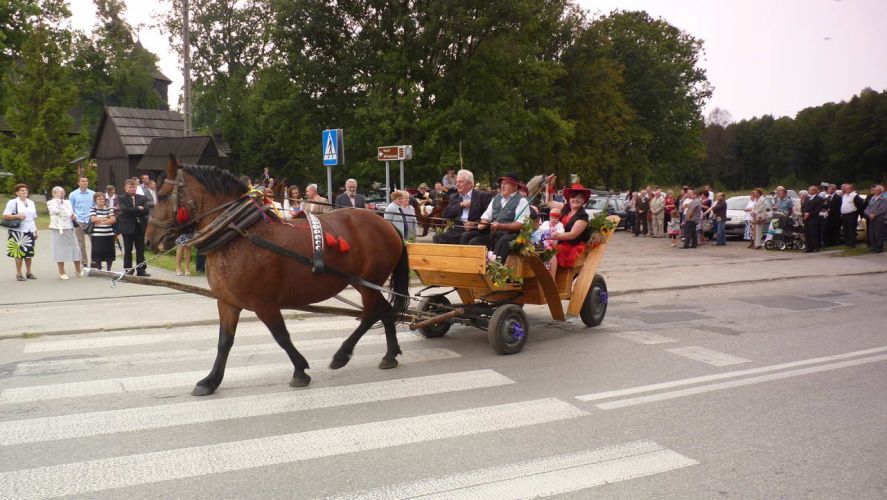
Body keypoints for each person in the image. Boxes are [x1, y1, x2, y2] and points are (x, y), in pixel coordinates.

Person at [468, 173, 529, 262]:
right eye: (502, 183)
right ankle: (475, 267)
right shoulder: (496, 198)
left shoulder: (522, 201)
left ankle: (496, 268)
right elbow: (486, 216)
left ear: (515, 187)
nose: (502, 186)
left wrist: (501, 226)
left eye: (506, 183)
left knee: (504, 240)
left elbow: (521, 224)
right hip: (495, 235)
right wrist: (481, 224)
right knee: (473, 242)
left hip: (511, 236)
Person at [434, 169, 493, 244]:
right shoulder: (454, 197)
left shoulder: (483, 196)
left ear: (470, 184)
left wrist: (474, 223)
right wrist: (460, 205)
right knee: (437, 237)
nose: (457, 184)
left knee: (465, 236)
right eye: (457, 181)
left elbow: (489, 216)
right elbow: (446, 214)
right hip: (457, 230)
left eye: (460, 182)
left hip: (475, 230)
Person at [549, 186, 592, 276]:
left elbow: (572, 235)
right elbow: (549, 202)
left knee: (549, 251)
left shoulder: (583, 216)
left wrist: (551, 235)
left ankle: (551, 281)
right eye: (573, 197)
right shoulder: (566, 209)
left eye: (579, 197)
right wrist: (549, 186)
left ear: (583, 200)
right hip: (559, 242)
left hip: (571, 246)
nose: (576, 199)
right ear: (569, 199)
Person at [3, 183, 38, 281]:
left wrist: (35, 231)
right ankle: (19, 273)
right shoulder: (12, 202)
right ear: (17, 192)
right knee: (19, 254)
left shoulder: (31, 202)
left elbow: (32, 218)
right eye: (22, 190)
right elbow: (5, 216)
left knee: (29, 253)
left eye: (26, 190)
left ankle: (29, 272)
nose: (24, 192)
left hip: (30, 229)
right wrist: (17, 216)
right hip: (18, 231)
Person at [47, 186, 82, 279]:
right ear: (53, 194)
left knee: (75, 247)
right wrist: (58, 201)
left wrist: (74, 216)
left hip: (69, 227)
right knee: (59, 249)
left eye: (62, 192)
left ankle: (78, 270)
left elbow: (70, 212)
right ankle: (62, 272)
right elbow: (56, 211)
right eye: (59, 192)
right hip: (58, 228)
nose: (61, 194)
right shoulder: (50, 203)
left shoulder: (67, 202)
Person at [118, 179, 151, 276]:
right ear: (126, 188)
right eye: (130, 187)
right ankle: (128, 270)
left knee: (140, 249)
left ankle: (141, 270)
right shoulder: (121, 197)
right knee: (128, 250)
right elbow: (124, 210)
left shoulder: (142, 198)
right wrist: (137, 208)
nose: (132, 189)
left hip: (139, 227)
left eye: (134, 187)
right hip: (127, 227)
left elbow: (146, 210)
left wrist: (134, 210)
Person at [69, 176, 94, 269]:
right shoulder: (73, 194)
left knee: (94, 242)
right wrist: (74, 219)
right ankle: (84, 262)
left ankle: (94, 261)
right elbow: (71, 208)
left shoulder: (92, 193)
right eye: (83, 181)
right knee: (81, 243)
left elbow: (95, 207)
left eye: (86, 181)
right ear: (78, 183)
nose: (85, 183)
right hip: (79, 221)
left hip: (90, 221)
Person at [89, 191, 116, 271]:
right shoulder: (93, 209)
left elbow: (113, 220)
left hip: (109, 234)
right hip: (97, 235)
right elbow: (93, 219)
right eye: (99, 199)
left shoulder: (109, 209)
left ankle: (109, 269)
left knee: (109, 252)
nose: (101, 200)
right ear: (95, 200)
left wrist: (100, 221)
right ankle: (99, 269)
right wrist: (106, 219)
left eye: (102, 199)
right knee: (97, 252)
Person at [839, 183, 865, 248]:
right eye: (845, 188)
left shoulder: (855, 196)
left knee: (851, 230)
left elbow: (860, 206)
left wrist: (859, 214)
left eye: (847, 188)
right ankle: (847, 243)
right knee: (846, 229)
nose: (845, 190)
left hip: (852, 215)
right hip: (844, 215)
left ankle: (852, 244)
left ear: (851, 189)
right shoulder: (844, 196)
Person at [863, 184, 885, 253]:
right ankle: (873, 246)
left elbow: (883, 209)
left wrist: (875, 214)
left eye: (876, 190)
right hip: (871, 218)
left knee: (878, 233)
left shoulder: (883, 199)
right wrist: (868, 214)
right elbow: (867, 208)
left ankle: (879, 247)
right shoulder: (872, 198)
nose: (874, 191)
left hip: (879, 218)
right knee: (872, 233)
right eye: (874, 190)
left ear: (880, 191)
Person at [802, 185, 824, 252]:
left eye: (811, 190)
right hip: (806, 218)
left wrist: (809, 213)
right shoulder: (807, 198)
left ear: (815, 190)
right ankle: (809, 247)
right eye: (809, 190)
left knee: (814, 233)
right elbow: (803, 207)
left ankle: (816, 247)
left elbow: (818, 209)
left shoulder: (819, 199)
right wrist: (804, 213)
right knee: (807, 233)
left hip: (814, 218)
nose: (809, 191)